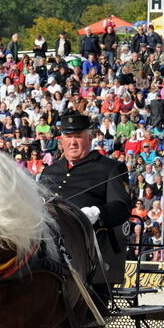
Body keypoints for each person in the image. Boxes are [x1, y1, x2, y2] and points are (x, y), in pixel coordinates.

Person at [38, 112, 131, 305]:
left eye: (78, 136)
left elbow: (121, 207)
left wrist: (95, 213)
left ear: (89, 138)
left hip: (89, 246)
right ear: (61, 140)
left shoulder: (110, 168)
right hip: (47, 245)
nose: (72, 142)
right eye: (68, 137)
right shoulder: (50, 170)